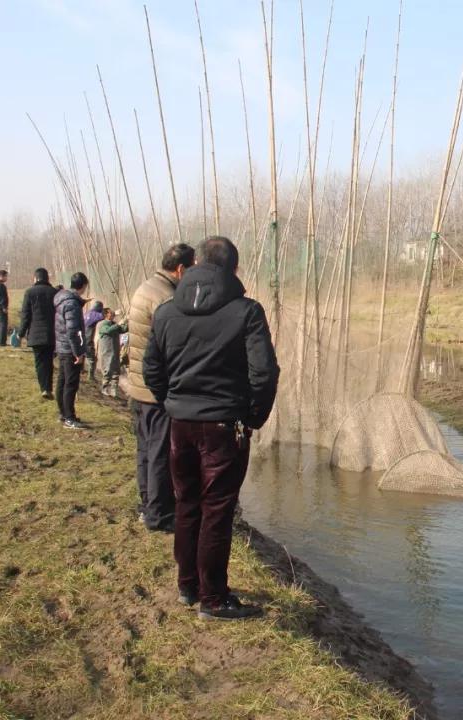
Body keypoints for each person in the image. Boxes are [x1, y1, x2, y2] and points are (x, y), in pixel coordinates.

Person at [144, 236, 280, 620]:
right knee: (216, 511)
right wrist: (253, 416)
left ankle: (188, 585)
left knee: (187, 504)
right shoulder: (246, 312)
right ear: (233, 270)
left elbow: (151, 369)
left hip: (181, 424)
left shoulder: (166, 312)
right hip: (223, 426)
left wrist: (171, 402)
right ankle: (214, 598)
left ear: (196, 265)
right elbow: (264, 374)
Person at [125, 243, 195, 533]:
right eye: (190, 269)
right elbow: (170, 347)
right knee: (159, 452)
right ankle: (158, 514)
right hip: (154, 391)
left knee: (145, 449)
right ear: (180, 269)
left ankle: (147, 505)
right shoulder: (165, 298)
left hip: (139, 385)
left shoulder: (147, 287)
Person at [54, 272, 89, 430]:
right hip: (70, 350)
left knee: (62, 381)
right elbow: (72, 330)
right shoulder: (72, 304)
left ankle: (63, 413)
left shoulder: (64, 299)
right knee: (70, 383)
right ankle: (69, 417)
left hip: (62, 347)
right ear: (82, 286)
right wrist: (78, 353)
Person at [17, 268, 58, 399]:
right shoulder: (54, 292)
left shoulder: (29, 292)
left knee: (40, 362)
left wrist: (21, 333)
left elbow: (25, 315)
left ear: (35, 278)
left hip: (35, 334)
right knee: (49, 361)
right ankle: (49, 387)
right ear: (47, 278)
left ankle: (44, 388)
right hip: (51, 334)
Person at [96, 308, 128, 398]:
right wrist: (119, 324)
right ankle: (105, 388)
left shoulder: (114, 324)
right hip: (107, 352)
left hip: (115, 351)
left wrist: (127, 321)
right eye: (111, 312)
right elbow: (108, 331)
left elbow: (123, 329)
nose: (113, 314)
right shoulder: (102, 324)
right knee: (108, 369)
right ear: (106, 314)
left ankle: (114, 389)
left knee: (116, 371)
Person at [83, 300, 105, 381]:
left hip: (79, 339)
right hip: (87, 340)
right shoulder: (95, 314)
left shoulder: (86, 313)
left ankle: (81, 370)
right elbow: (103, 316)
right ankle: (90, 377)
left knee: (81, 355)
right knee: (92, 359)